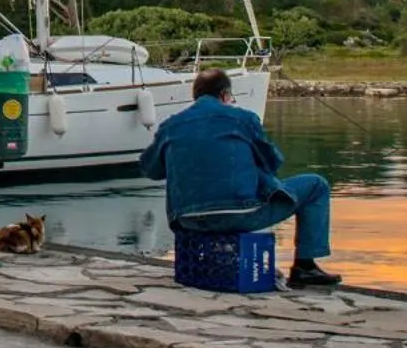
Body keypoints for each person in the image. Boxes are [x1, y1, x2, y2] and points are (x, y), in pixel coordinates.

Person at [139, 68, 341, 287]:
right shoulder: (243, 119)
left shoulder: (170, 126)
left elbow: (152, 170)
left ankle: (218, 260)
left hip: (185, 220)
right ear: (225, 95)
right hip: (238, 214)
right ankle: (305, 267)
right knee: (316, 185)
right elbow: (272, 162)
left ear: (194, 96)